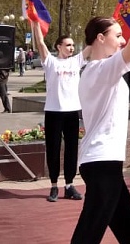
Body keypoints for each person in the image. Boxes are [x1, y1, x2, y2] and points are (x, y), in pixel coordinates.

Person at [71, 17, 130, 244]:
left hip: (105, 163)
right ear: (100, 38)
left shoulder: (99, 71)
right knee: (89, 232)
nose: (122, 40)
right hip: (102, 162)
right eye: (117, 35)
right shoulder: (100, 70)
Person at [31, 20, 89, 202]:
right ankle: (54, 186)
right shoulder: (50, 62)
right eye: (68, 45)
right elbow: (40, 43)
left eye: (73, 45)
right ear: (59, 47)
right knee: (53, 149)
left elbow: (93, 44)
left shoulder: (76, 61)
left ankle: (70, 185)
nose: (72, 48)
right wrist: (34, 24)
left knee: (72, 149)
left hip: (72, 112)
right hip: (54, 112)